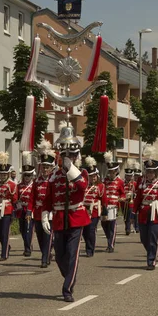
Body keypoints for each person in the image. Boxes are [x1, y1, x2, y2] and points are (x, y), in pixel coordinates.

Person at [41, 121, 89, 302]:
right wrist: (45, 214)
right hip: (60, 218)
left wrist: (71, 169)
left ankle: (67, 289)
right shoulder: (54, 175)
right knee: (60, 256)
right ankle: (69, 275)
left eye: (71, 155)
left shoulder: (81, 173)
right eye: (65, 155)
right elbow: (47, 198)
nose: (67, 158)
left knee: (72, 253)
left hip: (76, 217)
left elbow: (82, 187)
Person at [133, 146, 158, 270]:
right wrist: (133, 213)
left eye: (152, 172)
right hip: (143, 213)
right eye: (148, 172)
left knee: (152, 236)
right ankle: (152, 248)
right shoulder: (142, 184)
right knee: (144, 238)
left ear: (156, 173)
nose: (150, 174)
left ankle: (151, 261)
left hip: (156, 213)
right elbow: (138, 199)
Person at [31, 141, 56, 268]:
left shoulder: (54, 180)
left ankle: (44, 259)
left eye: (47, 167)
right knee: (40, 237)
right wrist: (30, 211)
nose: (45, 169)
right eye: (43, 167)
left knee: (47, 235)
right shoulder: (36, 181)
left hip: (50, 213)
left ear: (52, 168)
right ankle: (46, 253)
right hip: (38, 213)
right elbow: (32, 197)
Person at [0, 153, 18, 262]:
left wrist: (15, 210)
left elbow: (15, 198)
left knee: (5, 232)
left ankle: (4, 254)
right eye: (1, 175)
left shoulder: (12, 185)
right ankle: (6, 246)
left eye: (4, 175)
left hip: (7, 209)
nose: (2, 176)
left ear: (7, 174)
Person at [82, 157, 106, 258]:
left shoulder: (100, 186)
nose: (93, 178)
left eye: (94, 176)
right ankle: (88, 245)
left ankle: (90, 249)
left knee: (91, 229)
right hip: (84, 211)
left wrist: (104, 212)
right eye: (91, 176)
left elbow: (104, 199)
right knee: (84, 231)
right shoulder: (84, 185)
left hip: (94, 211)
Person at [101, 152, 125, 253]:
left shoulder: (120, 182)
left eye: (113, 172)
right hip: (105, 206)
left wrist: (121, 199)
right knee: (103, 224)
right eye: (109, 172)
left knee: (112, 225)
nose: (111, 174)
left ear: (116, 172)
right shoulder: (104, 181)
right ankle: (109, 239)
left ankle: (110, 245)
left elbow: (123, 194)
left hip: (114, 206)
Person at [17, 152, 35, 257]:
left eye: (29, 175)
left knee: (28, 229)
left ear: (32, 175)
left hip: (30, 209)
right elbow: (16, 197)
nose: (27, 177)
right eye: (25, 175)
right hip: (21, 209)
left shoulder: (34, 185)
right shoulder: (19, 186)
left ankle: (27, 249)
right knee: (22, 230)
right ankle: (27, 244)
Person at [122, 160, 138, 236]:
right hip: (124, 202)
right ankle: (127, 226)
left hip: (131, 203)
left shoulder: (134, 183)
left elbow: (137, 192)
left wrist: (133, 195)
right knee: (125, 216)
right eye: (127, 175)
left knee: (129, 215)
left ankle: (128, 228)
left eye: (130, 176)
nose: (128, 177)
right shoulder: (122, 183)